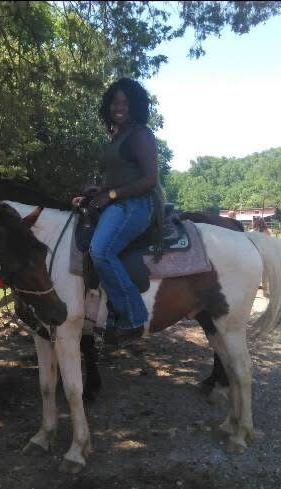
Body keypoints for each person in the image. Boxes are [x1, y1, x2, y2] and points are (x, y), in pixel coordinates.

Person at [72, 78, 163, 345]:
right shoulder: (118, 135)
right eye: (115, 102)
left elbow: (149, 179)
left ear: (135, 106)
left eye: (125, 102)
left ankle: (133, 316)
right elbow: (121, 176)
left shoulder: (140, 135)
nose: (118, 107)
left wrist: (110, 195)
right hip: (117, 201)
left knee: (100, 250)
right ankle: (104, 314)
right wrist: (97, 190)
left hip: (136, 205)